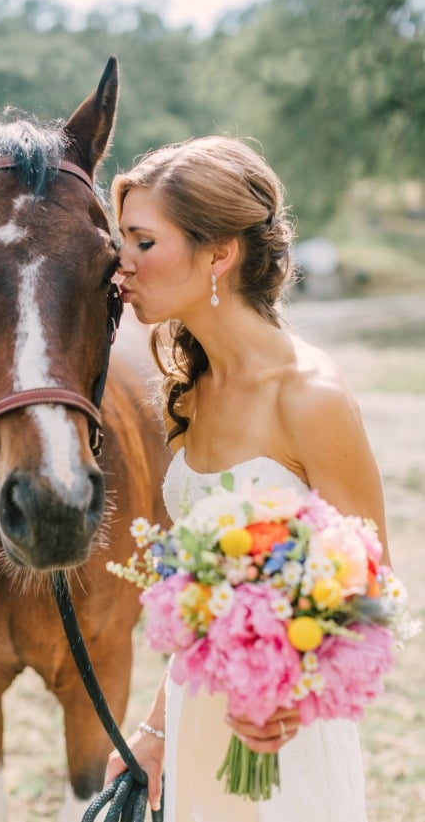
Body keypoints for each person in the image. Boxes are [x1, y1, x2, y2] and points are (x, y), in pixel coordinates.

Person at [104, 135, 391, 821]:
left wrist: (292, 693)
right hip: (197, 725)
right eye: (124, 240)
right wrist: (152, 731)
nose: (122, 263)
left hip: (282, 742)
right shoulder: (191, 389)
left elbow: (374, 584)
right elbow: (202, 603)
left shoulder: (310, 394)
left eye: (144, 241)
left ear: (220, 253)